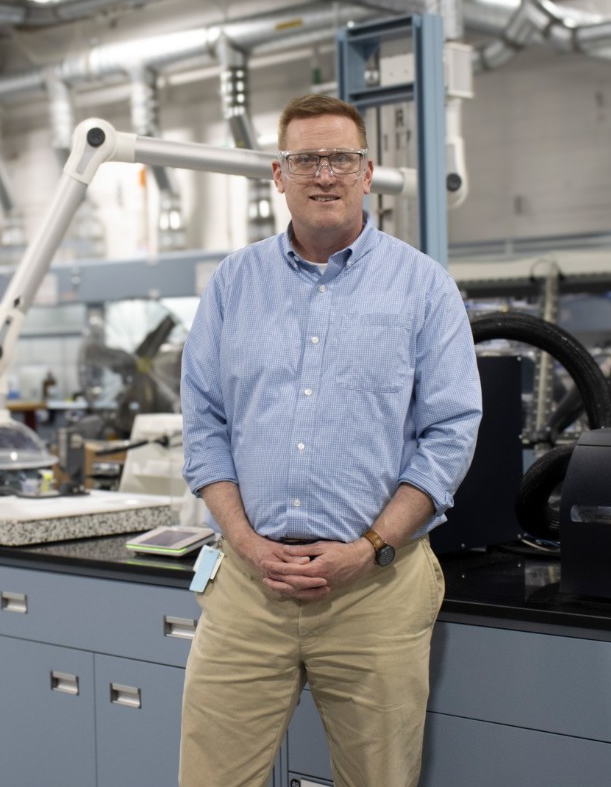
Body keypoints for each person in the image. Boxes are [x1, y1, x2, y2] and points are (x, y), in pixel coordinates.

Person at [178, 94, 482, 787]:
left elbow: (450, 433)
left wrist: (369, 547)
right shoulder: (233, 285)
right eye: (305, 159)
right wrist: (246, 543)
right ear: (278, 175)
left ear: (368, 171)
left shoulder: (422, 287)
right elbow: (205, 425)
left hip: (373, 589)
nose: (325, 174)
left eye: (341, 158)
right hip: (249, 591)